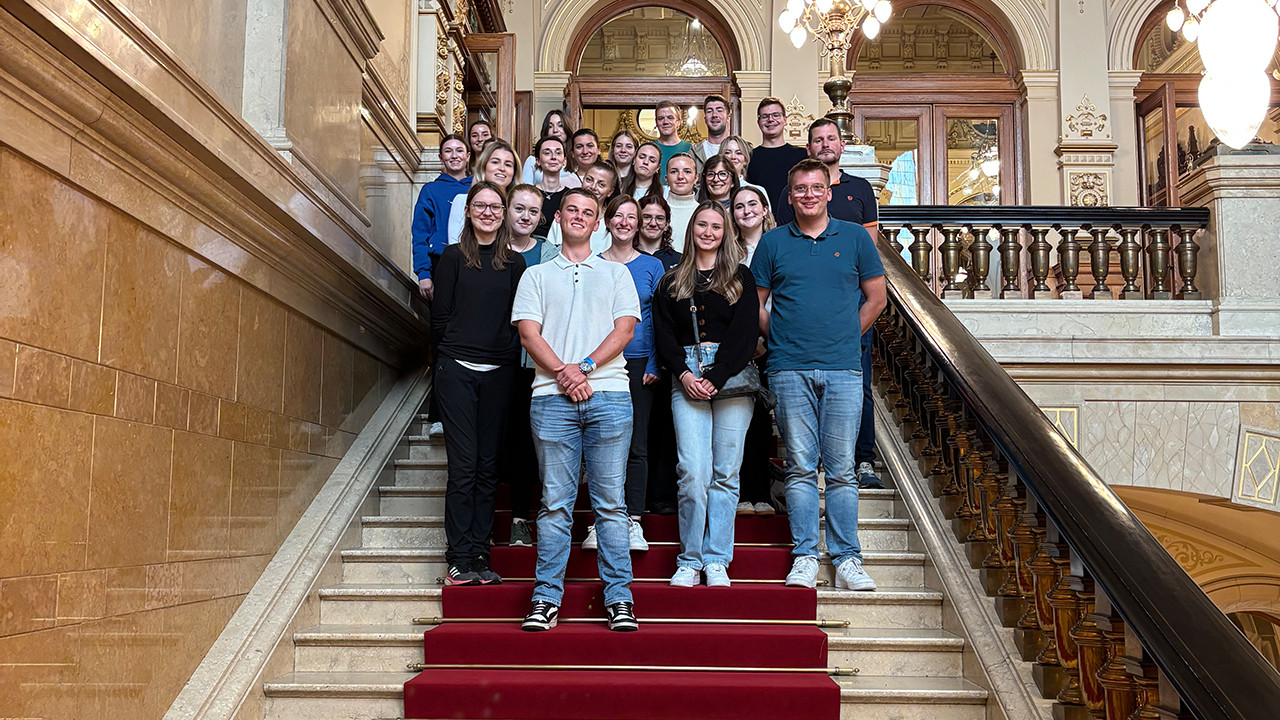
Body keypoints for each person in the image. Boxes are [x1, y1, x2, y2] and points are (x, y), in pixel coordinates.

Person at [750, 159, 887, 592]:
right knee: (800, 467)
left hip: (843, 368)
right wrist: (779, 338)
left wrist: (846, 334)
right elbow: (755, 304)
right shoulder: (772, 242)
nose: (808, 195)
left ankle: (847, 559)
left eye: (815, 188)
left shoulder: (854, 237)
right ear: (789, 196)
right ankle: (806, 555)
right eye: (800, 189)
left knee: (842, 469)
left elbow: (877, 298)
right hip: (788, 368)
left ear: (829, 193)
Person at [513, 187, 641, 633]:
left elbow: (624, 331)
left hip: (609, 395)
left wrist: (581, 368)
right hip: (550, 399)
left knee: (611, 505)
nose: (579, 217)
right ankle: (546, 598)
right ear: (559, 217)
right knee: (554, 504)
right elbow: (529, 334)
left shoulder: (617, 274)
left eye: (588, 212)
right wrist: (563, 374)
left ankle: (619, 598)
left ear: (598, 222)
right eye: (572, 209)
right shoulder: (535, 275)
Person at [653, 202, 759, 588]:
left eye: (716, 226)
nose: (708, 232)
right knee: (692, 472)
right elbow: (663, 335)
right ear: (691, 229)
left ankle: (716, 559)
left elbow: (746, 333)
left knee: (726, 473)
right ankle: (690, 558)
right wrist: (684, 374)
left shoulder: (740, 277)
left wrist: (716, 374)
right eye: (702, 224)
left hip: (731, 376)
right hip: (685, 375)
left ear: (725, 232)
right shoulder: (671, 280)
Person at [775, 118, 884, 490]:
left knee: (860, 385)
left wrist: (847, 330)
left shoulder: (860, 189)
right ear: (808, 148)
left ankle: (863, 459)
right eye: (818, 139)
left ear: (841, 145)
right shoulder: (790, 199)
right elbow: (788, 246)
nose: (825, 144)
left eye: (831, 138)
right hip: (801, 324)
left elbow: (870, 256)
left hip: (850, 309)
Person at [432, 181, 526, 586]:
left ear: (503, 215)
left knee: (488, 468)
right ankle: (457, 557)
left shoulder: (515, 264)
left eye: (495, 207)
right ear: (469, 211)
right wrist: (443, 365)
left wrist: (503, 354)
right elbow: (439, 318)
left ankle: (479, 555)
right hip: (456, 370)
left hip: (499, 373)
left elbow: (518, 320)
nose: (488, 212)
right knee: (464, 467)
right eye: (480, 205)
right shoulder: (453, 257)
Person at [580, 195, 664, 554]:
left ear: (639, 224)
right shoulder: (591, 263)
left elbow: (660, 319)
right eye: (619, 216)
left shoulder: (652, 266)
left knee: (637, 444)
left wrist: (655, 363)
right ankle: (601, 520)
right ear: (607, 221)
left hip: (640, 363)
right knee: (600, 444)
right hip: (600, 365)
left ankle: (632, 520)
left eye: (632, 217)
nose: (625, 222)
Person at [502, 185, 550, 548]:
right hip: (495, 358)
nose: (525, 216)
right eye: (519, 208)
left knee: (527, 441)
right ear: (507, 210)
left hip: (536, 363)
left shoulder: (549, 254)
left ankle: (521, 518)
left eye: (533, 211)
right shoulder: (489, 247)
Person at [730, 185, 778, 517]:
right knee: (741, 422)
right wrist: (747, 341)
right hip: (738, 347)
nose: (746, 211)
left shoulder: (780, 244)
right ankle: (742, 492)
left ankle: (763, 492)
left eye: (752, 204)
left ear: (764, 209)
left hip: (776, 343)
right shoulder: (727, 250)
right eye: (738, 206)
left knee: (765, 420)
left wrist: (767, 339)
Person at [635, 194, 681, 516]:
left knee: (666, 425)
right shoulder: (624, 254)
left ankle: (662, 494)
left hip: (671, 353)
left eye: (659, 218)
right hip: (636, 354)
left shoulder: (678, 260)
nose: (652, 223)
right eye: (647, 217)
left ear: (667, 224)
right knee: (637, 428)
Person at [410, 134, 471, 301]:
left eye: (459, 151)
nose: (454, 156)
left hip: (474, 260)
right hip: (440, 262)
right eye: (448, 151)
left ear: (468, 156)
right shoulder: (430, 190)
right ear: (441, 157)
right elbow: (420, 234)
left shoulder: (478, 188)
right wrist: (423, 273)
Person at [448, 140, 519, 245]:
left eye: (508, 165)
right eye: (495, 162)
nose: (502, 168)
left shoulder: (518, 205)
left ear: (514, 173)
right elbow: (454, 244)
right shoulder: (462, 200)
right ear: (483, 166)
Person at [746, 98, 808, 216]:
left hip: (796, 220)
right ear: (758, 122)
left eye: (776, 115)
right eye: (765, 116)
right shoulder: (749, 157)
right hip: (760, 220)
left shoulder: (802, 155)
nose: (770, 119)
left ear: (785, 120)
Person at [546, 161, 616, 253]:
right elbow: (549, 251)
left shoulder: (612, 222)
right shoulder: (566, 216)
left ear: (610, 192)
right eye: (589, 180)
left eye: (601, 184)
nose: (593, 187)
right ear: (583, 181)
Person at [522, 110, 578, 186]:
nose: (555, 130)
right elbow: (525, 189)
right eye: (550, 126)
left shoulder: (575, 160)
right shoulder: (532, 160)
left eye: (560, 125)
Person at [718, 135, 771, 211]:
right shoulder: (713, 188)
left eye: (738, 153)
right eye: (727, 152)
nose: (733, 157)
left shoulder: (758, 190)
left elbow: (768, 217)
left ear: (745, 160)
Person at [531, 136, 569, 240]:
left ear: (564, 160)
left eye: (558, 153)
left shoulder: (570, 196)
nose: (553, 157)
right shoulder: (529, 194)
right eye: (547, 153)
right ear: (538, 160)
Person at [664, 153, 699, 250]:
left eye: (687, 171)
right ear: (666, 179)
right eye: (674, 172)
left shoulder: (702, 211)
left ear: (696, 178)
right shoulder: (658, 211)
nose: (680, 176)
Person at [654, 101, 692, 182]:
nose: (665, 122)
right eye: (661, 118)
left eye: (670, 118)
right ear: (656, 122)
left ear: (679, 122)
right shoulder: (649, 149)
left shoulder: (691, 149)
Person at [691, 94, 730, 167]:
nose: (714, 115)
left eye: (719, 110)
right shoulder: (693, 152)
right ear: (705, 119)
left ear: (728, 118)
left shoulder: (742, 151)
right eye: (709, 111)